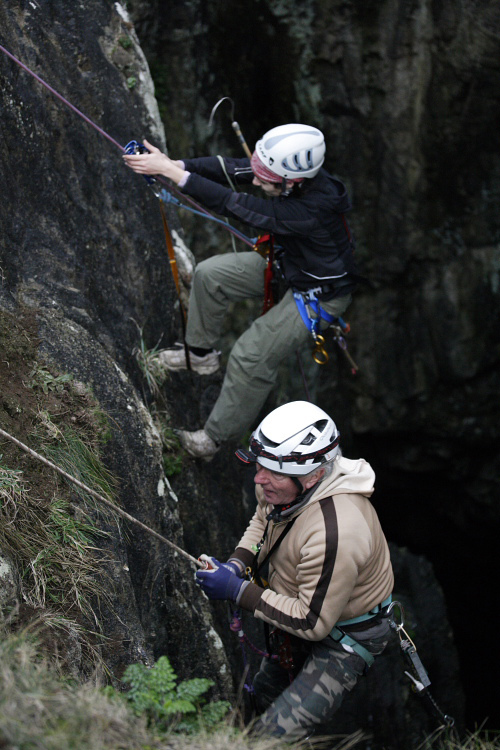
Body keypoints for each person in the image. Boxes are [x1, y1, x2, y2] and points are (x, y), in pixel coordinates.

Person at [123, 124, 358, 459]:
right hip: (289, 266)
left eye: (266, 179)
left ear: (294, 181)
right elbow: (231, 169)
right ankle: (200, 356)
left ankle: (214, 439)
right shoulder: (290, 177)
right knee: (210, 274)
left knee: (251, 355)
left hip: (319, 293)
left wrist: (172, 173)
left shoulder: (312, 209)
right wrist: (177, 164)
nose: (259, 181)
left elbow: (237, 205)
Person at [195, 400, 394, 740]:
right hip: (299, 605)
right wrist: (237, 564)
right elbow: (264, 521)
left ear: (315, 473)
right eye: (259, 467)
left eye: (272, 473)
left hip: (346, 637)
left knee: (272, 738)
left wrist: (237, 590)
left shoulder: (337, 531)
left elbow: (310, 621)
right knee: (262, 695)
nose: (259, 479)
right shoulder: (282, 485)